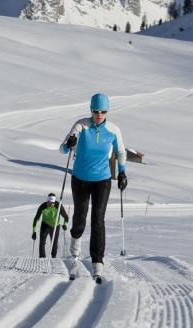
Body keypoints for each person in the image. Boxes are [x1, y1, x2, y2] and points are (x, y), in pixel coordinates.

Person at [60, 92, 128, 279]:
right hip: (80, 178)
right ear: (90, 110)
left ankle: (97, 260)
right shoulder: (81, 125)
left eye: (103, 111)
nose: (99, 114)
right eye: (95, 110)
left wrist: (122, 172)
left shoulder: (113, 129)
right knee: (80, 216)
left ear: (107, 111)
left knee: (98, 218)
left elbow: (121, 152)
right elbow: (63, 149)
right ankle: (75, 252)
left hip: (102, 180)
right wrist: (70, 143)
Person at [32, 193, 69, 258]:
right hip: (45, 224)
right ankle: (42, 257)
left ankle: (53, 257)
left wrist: (64, 224)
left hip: (55, 226)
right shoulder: (43, 206)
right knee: (42, 242)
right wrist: (34, 232)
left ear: (54, 202)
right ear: (47, 201)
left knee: (54, 244)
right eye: (49, 202)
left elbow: (66, 217)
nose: (50, 204)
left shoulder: (58, 206)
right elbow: (36, 219)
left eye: (52, 203)